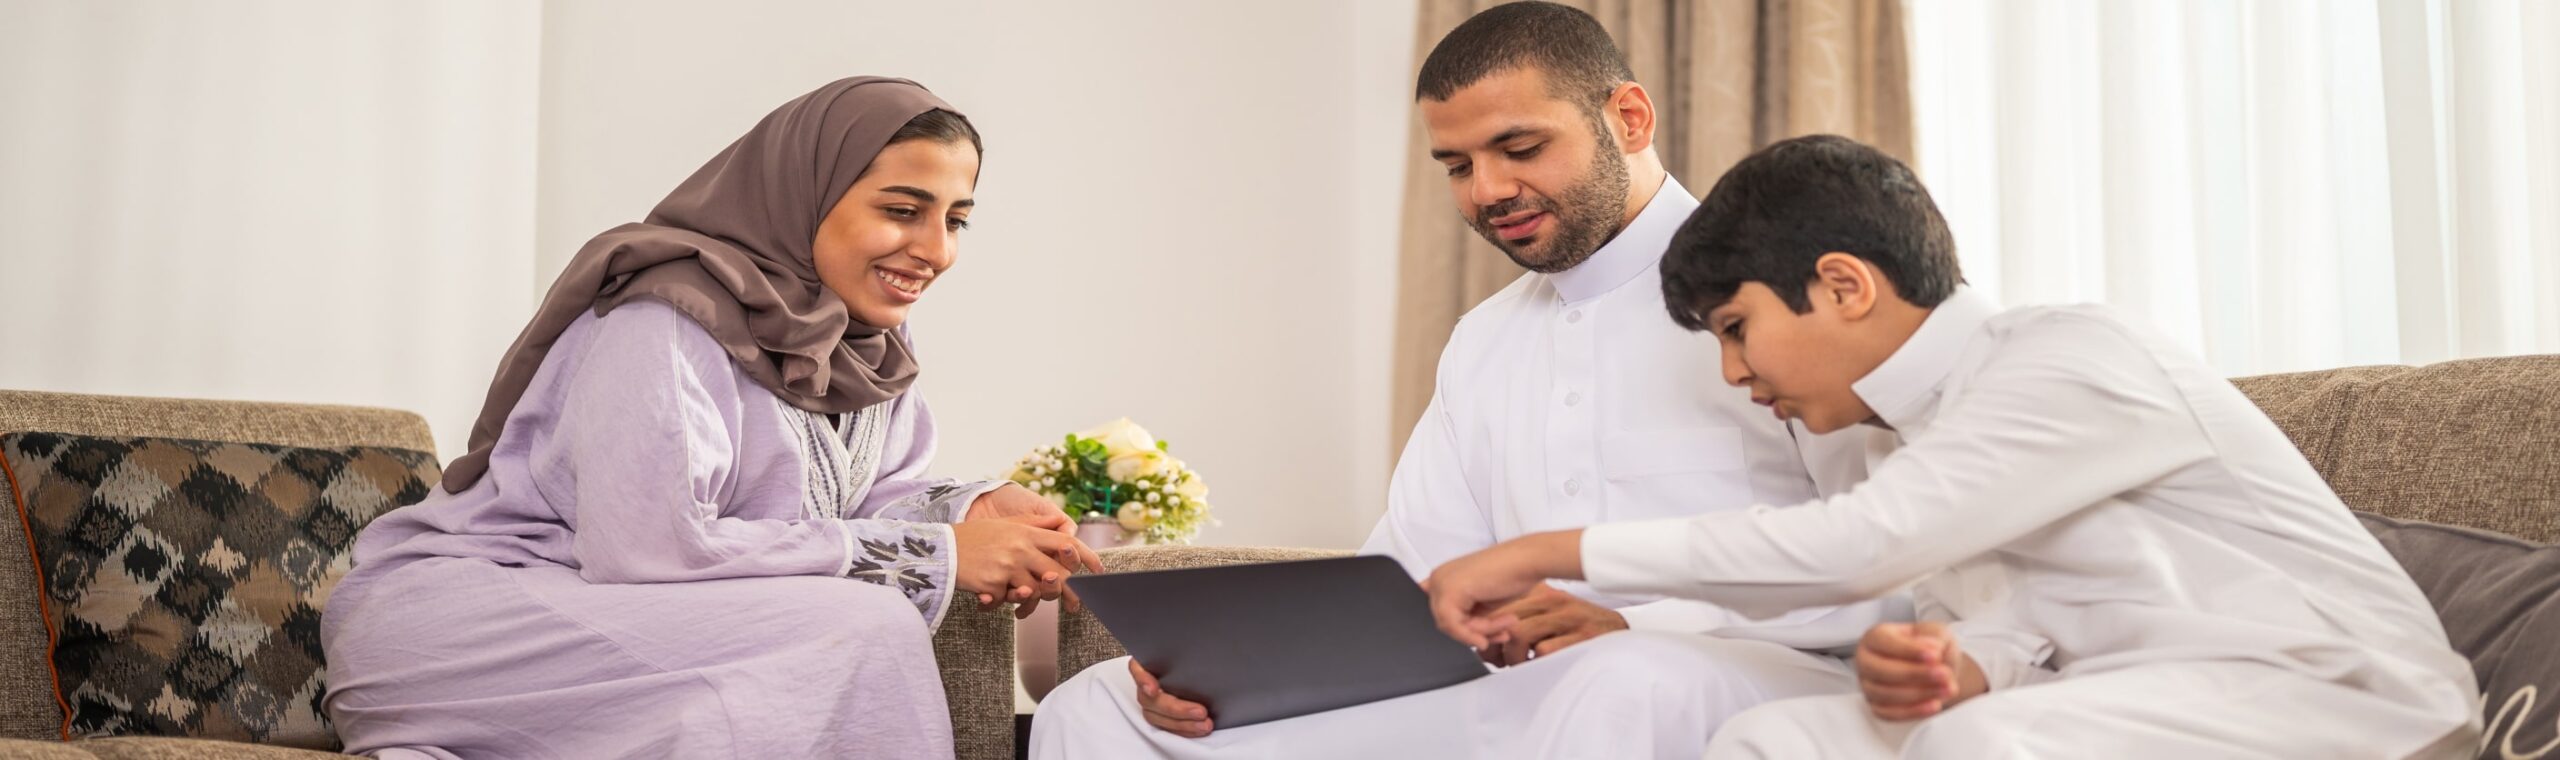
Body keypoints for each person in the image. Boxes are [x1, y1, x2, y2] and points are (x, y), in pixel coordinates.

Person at [1422, 134, 2481, 759]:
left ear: (1843, 285)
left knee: (1974, 748)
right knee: (1772, 741)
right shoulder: (1902, 443)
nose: (1736, 377)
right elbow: (2031, 630)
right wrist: (1954, 663)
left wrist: (1541, 549)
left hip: (2342, 700)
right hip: (2127, 707)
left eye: (1737, 329)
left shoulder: (2072, 355)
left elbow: (1852, 547)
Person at [1031, 5, 1880, 758]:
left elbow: (1895, 554)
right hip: (1513, 688)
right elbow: (1409, 573)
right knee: (1097, 704)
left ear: (1627, 116)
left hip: (1752, 671)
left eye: (1519, 148)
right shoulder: (1484, 340)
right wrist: (1226, 672)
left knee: (1622, 678)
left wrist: (1639, 621)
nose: (1488, 192)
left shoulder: (1784, 293)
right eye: (1456, 165)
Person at [321, 76, 1103, 759]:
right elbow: (646, 545)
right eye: (903, 210)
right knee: (864, 625)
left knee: (762, 690)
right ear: (804, 194)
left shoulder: (870, 347)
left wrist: (967, 509)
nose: (935, 249)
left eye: (957, 220)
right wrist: (937, 556)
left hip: (645, 617)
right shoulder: (665, 320)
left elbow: (847, 504)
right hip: (481, 625)